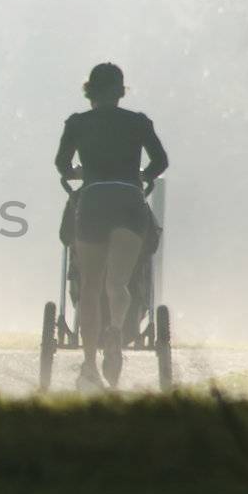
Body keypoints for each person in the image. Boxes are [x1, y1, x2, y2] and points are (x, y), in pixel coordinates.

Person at [54, 62, 168, 391]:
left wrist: (79, 172)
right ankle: (116, 329)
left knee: (90, 286)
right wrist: (142, 176)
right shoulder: (138, 123)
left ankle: (90, 364)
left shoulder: (77, 123)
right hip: (130, 201)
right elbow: (160, 161)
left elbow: (61, 164)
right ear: (120, 91)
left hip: (94, 201)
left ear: (90, 90)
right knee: (118, 283)